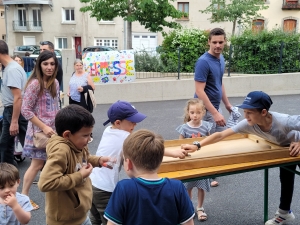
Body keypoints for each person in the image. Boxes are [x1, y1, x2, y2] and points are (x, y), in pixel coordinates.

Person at [182, 91, 300, 225]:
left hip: (297, 147)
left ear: (263, 112)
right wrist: (197, 145)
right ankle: (284, 213)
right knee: (286, 180)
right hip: (286, 150)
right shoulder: (248, 124)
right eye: (244, 111)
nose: (245, 116)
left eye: (249, 112)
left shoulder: (284, 121)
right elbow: (221, 135)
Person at [37, 104, 110, 225]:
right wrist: (79, 176)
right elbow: (45, 183)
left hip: (79, 215)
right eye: (85, 135)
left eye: (90, 135)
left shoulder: (76, 143)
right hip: (65, 221)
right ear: (67, 135)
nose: (88, 139)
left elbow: (82, 159)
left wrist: (98, 160)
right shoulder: (61, 151)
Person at [104, 129, 195, 225]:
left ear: (129, 163)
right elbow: (189, 223)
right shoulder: (177, 187)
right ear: (160, 161)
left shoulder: (124, 188)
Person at [89, 100, 147, 225]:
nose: (135, 124)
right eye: (132, 121)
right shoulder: (125, 137)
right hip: (105, 188)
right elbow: (145, 146)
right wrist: (173, 153)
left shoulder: (108, 130)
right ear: (118, 122)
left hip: (92, 182)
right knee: (110, 220)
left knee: (95, 219)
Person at [20, 50, 60, 210]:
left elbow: (56, 107)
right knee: (36, 165)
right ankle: (24, 198)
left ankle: (58, 196)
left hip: (53, 131)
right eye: (45, 64)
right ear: (39, 65)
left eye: (52, 64)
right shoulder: (35, 84)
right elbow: (26, 110)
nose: (49, 67)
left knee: (55, 162)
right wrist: (44, 126)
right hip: (39, 132)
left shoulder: (55, 83)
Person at [194, 27, 232, 187]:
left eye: (221, 42)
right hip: (205, 110)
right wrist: (215, 113)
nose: (217, 45)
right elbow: (199, 91)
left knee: (219, 139)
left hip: (216, 107)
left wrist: (227, 103)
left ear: (225, 42)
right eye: (214, 42)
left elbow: (219, 82)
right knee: (206, 143)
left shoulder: (221, 59)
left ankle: (211, 172)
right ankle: (205, 176)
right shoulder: (203, 62)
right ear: (209, 42)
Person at [176, 98, 212, 221]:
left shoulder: (207, 126)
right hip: (189, 162)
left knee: (201, 186)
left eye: (198, 112)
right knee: (187, 187)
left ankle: (200, 208)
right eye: (192, 112)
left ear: (203, 112)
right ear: (188, 113)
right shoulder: (184, 128)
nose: (195, 115)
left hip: (202, 161)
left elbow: (210, 142)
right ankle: (189, 207)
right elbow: (180, 145)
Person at [0, 40, 28, 165]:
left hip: (15, 110)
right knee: (5, 144)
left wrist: (14, 121)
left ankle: (49, 175)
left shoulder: (12, 70)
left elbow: (18, 97)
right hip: (9, 110)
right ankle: (7, 177)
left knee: (30, 146)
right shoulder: (9, 68)